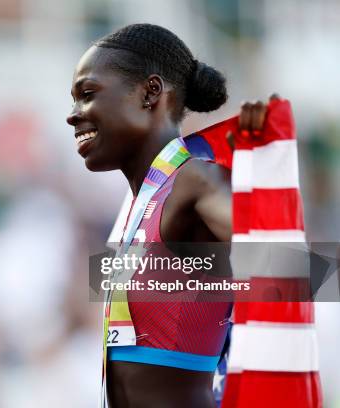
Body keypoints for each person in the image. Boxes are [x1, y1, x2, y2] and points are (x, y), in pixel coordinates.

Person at [66, 23, 273, 407]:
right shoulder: (136, 207)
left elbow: (289, 266)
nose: (73, 115)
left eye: (88, 94)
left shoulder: (194, 181)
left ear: (151, 92)